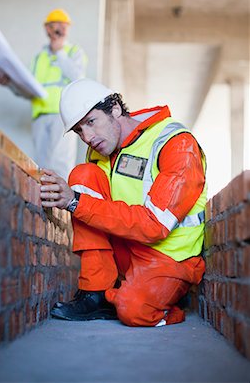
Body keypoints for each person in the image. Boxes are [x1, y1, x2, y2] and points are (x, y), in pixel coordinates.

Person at [40, 78, 207, 327]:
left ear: (115, 109)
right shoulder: (100, 149)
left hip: (167, 257)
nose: (87, 136)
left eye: (90, 122)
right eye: (79, 130)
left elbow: (154, 226)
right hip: (127, 248)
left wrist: (74, 201)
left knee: (133, 310)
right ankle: (96, 293)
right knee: (83, 175)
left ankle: (162, 305)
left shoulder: (176, 144)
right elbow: (99, 213)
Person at [0, 8, 87, 180]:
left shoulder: (74, 51)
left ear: (67, 29)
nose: (58, 29)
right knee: (42, 165)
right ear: (47, 29)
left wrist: (59, 51)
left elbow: (77, 78)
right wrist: (9, 83)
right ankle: (44, 205)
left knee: (60, 163)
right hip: (40, 115)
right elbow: (27, 88)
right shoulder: (39, 58)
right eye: (54, 25)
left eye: (63, 25)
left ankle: (61, 206)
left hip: (63, 115)